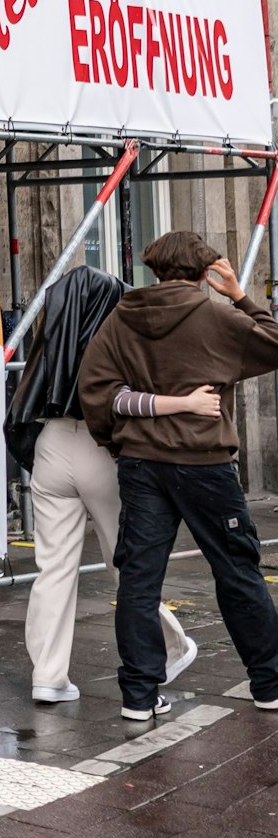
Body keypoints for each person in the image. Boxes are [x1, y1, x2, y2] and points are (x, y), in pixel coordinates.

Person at [78, 231, 278, 722]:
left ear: (156, 269)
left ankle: (139, 696)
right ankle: (269, 683)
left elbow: (95, 389)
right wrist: (238, 294)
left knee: (140, 579)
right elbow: (274, 345)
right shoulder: (215, 315)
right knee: (236, 570)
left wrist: (119, 442)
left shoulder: (121, 317)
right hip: (205, 463)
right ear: (203, 271)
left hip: (142, 466)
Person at [8, 267, 198, 704]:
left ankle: (48, 676)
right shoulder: (114, 335)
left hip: (51, 445)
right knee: (128, 566)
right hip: (101, 449)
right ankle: (168, 650)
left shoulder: (53, 336)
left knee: (53, 570)